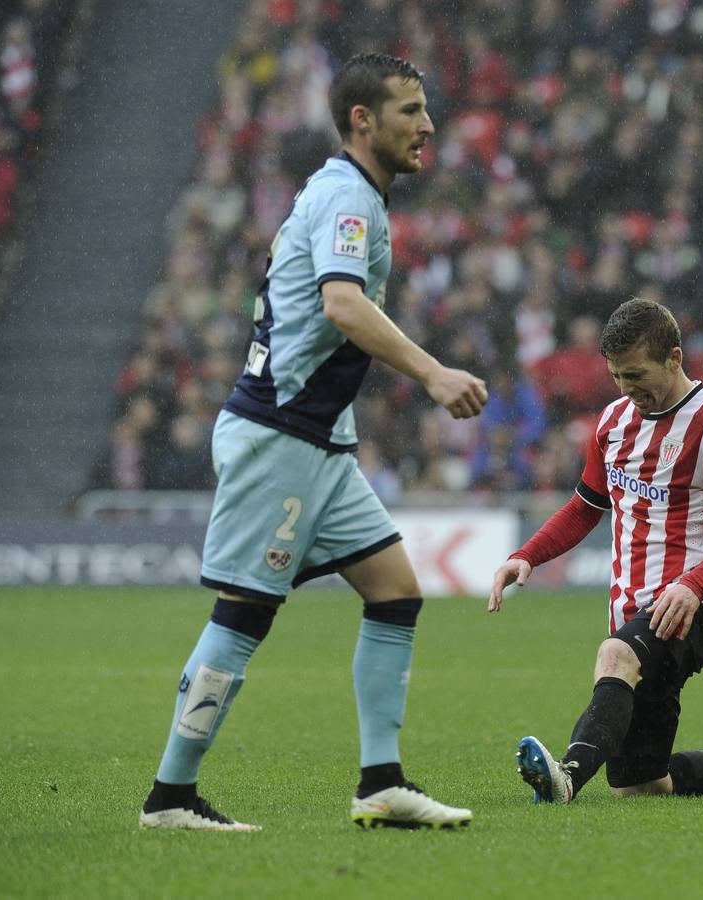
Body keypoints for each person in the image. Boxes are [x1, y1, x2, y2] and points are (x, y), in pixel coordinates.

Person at [139, 53, 487, 833]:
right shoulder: (345, 198)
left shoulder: (352, 194)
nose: (427, 125)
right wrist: (432, 374)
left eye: (425, 109)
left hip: (320, 440)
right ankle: (169, 798)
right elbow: (341, 304)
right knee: (244, 614)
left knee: (396, 589)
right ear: (362, 119)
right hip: (280, 435)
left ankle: (382, 783)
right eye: (409, 110)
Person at [488, 297, 703, 805]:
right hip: (630, 611)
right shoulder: (613, 423)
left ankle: (565, 777)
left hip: (692, 609)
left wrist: (692, 584)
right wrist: (527, 554)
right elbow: (584, 508)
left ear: (674, 358)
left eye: (636, 374)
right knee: (640, 784)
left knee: (615, 655)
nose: (627, 390)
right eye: (616, 376)